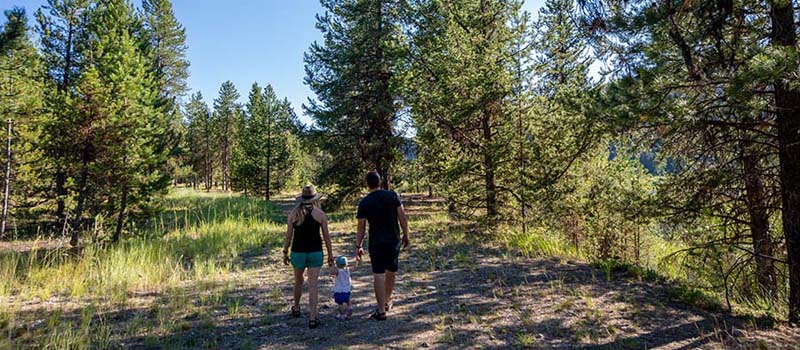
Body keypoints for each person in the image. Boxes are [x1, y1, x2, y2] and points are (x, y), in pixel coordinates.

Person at [355, 171, 410, 321]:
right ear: (380, 182)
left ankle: (381, 311)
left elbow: (361, 228)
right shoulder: (392, 196)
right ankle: (386, 301)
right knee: (391, 271)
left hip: (376, 242)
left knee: (378, 274)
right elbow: (402, 216)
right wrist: (406, 234)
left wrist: (358, 245)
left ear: (367, 184)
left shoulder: (365, 202)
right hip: (393, 240)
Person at [282, 185, 334, 329]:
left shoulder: (294, 214)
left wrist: (285, 251)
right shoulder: (320, 214)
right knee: (313, 285)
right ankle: (312, 317)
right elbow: (327, 238)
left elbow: (288, 236)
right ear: (314, 199)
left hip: (298, 252)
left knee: (298, 281)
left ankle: (297, 307)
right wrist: (330, 255)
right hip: (315, 252)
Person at [330, 256, 353, 320]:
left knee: (340, 303)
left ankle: (342, 314)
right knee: (348, 300)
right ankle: (350, 307)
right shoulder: (347, 270)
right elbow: (354, 266)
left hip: (339, 291)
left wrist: (332, 264)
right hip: (347, 290)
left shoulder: (338, 271)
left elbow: (332, 272)